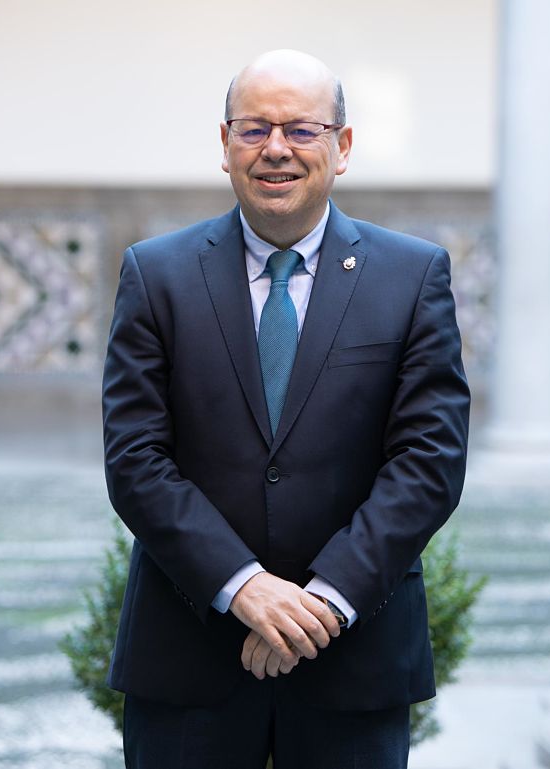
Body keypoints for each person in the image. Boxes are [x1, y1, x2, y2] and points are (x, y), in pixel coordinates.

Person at [102, 49, 470, 769]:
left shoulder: (412, 274)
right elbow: (136, 459)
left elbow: (429, 462)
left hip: (353, 660)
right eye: (254, 128)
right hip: (188, 659)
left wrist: (323, 603)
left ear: (343, 145)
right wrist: (245, 588)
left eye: (302, 129)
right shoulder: (156, 274)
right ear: (225, 144)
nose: (276, 149)